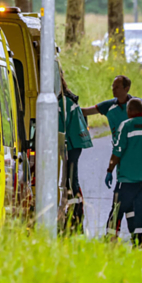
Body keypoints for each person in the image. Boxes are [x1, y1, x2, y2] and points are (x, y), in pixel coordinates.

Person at [82, 75, 142, 237]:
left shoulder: (138, 105)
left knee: (120, 202)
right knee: (137, 203)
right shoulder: (109, 106)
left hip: (127, 165)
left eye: (116, 87)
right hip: (136, 167)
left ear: (126, 88)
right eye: (112, 86)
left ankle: (112, 237)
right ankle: (139, 238)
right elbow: (85, 111)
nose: (112, 89)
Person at [103, 98, 142, 246]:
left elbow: (117, 150)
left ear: (129, 111)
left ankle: (111, 241)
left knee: (117, 209)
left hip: (128, 179)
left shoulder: (126, 125)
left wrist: (110, 169)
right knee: (141, 210)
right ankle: (140, 242)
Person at [58, 72, 93, 235]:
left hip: (71, 146)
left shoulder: (67, 103)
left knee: (71, 180)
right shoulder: (61, 101)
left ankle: (76, 216)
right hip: (66, 145)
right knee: (67, 181)